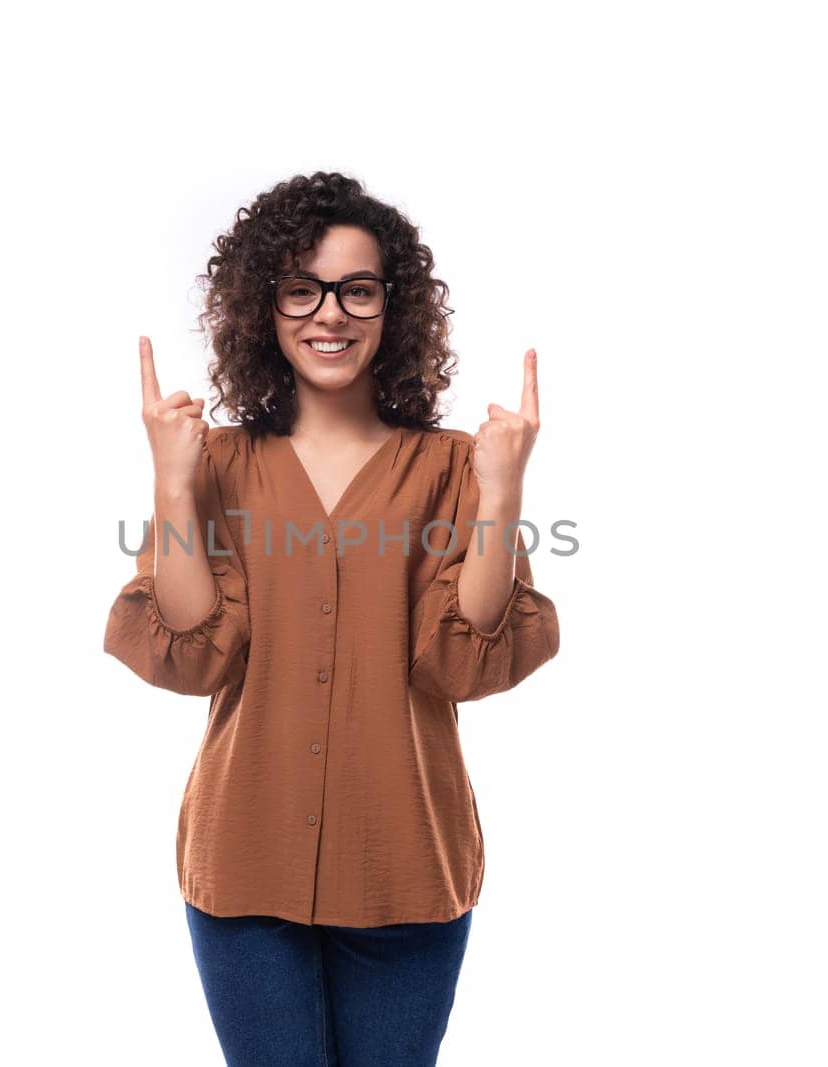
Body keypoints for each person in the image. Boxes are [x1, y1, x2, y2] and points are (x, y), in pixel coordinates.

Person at [103, 172, 560, 1066]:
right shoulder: (215, 461)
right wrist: (171, 482)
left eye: (358, 288)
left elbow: (463, 662)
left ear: (393, 307)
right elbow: (194, 654)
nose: (331, 313)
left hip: (405, 867)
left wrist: (503, 492)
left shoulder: (453, 466)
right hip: (243, 864)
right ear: (264, 307)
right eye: (301, 288)